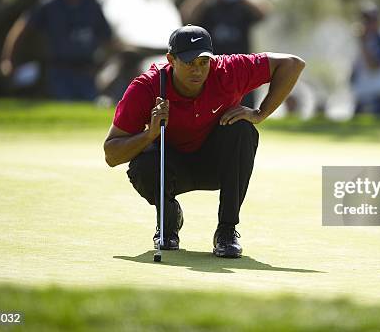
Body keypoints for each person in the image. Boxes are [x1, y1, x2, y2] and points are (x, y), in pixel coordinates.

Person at [103, 25, 305, 258]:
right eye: (189, 63)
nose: (197, 71)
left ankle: (227, 232)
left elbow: (292, 64)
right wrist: (150, 134)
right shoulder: (147, 88)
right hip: (171, 167)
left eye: (203, 62)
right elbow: (111, 155)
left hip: (216, 165)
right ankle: (168, 222)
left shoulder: (229, 70)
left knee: (242, 129)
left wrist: (260, 113)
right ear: (171, 59)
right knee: (143, 165)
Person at [1, 0, 114, 100]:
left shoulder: (92, 6)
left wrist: (103, 67)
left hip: (86, 73)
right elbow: (21, 29)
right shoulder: (49, 4)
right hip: (58, 74)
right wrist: (8, 60)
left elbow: (108, 40)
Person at [179, 0, 269, 109]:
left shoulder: (241, 7)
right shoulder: (208, 8)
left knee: (244, 115)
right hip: (214, 72)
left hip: (242, 71)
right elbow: (186, 15)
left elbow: (264, 12)